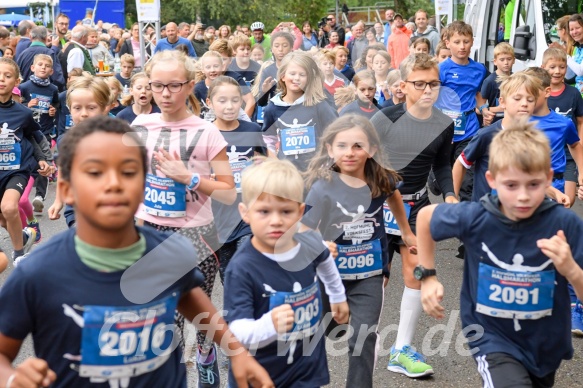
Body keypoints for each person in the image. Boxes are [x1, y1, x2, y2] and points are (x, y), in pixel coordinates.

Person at [0, 115, 274, 388]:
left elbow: (190, 295)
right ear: (67, 190)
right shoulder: (37, 273)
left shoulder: (169, 253)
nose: (114, 183)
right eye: (95, 172)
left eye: (128, 172)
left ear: (146, 184)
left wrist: (237, 352)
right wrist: (13, 378)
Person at [418, 123, 583, 388]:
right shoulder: (476, 218)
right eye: (511, 185)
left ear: (549, 178)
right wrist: (426, 276)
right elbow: (426, 218)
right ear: (492, 179)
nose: (522, 196)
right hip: (490, 338)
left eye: (533, 185)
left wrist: (571, 270)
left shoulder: (566, 225)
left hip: (545, 345)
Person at [131, 50, 235, 387]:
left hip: (196, 236)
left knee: (200, 321)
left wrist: (187, 177)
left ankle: (207, 370)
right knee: (162, 324)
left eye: (173, 85)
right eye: (157, 85)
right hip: (149, 233)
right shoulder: (139, 126)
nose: (164, 93)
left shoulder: (206, 132)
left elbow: (228, 192)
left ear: (189, 85)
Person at [301, 114, 407, 387]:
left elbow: (394, 193)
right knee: (328, 330)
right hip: (328, 275)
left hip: (369, 274)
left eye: (358, 146)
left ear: (371, 149)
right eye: (342, 146)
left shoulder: (380, 179)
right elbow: (304, 229)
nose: (350, 153)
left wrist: (406, 232)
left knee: (362, 336)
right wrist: (320, 246)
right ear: (329, 149)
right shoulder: (321, 187)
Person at [224, 157, 348, 386]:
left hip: (306, 368)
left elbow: (325, 260)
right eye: (264, 211)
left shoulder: (309, 243)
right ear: (245, 212)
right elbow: (237, 330)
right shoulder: (242, 268)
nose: (276, 221)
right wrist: (268, 325)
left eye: (286, 211)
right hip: (262, 374)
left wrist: (337, 296)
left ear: (300, 212)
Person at [371, 53, 458, 378]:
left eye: (433, 84)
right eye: (419, 84)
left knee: (417, 271)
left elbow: (441, 164)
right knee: (377, 277)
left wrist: (448, 193)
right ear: (404, 85)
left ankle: (401, 349)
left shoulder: (443, 123)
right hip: (379, 206)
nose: (427, 90)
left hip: (417, 207)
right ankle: (367, 340)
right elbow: (366, 160)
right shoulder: (386, 118)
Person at [206, 76, 268, 282]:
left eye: (235, 100)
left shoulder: (252, 130)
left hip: (248, 212)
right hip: (218, 216)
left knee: (248, 263)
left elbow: (266, 161)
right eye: (222, 101)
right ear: (209, 103)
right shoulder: (204, 134)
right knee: (228, 276)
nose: (229, 106)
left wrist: (263, 166)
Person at [452, 72, 540, 203]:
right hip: (485, 213)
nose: (524, 103)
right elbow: (461, 164)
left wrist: (554, 193)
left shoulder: (535, 137)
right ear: (502, 102)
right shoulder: (486, 135)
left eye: (530, 99)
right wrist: (452, 198)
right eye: (517, 98)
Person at [0, 58, 53, 264]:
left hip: (16, 170)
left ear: (16, 81)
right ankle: (22, 237)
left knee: (10, 208)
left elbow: (32, 136)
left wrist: (42, 160)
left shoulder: (23, 113)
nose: (2, 79)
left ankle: (19, 255)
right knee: (4, 219)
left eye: (7, 76)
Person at [434, 21, 488, 202]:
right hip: (444, 129)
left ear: (472, 41)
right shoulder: (441, 69)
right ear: (447, 42)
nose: (462, 46)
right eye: (457, 42)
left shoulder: (479, 69)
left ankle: (462, 216)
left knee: (466, 178)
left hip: (469, 129)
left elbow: (479, 96)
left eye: (466, 41)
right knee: (443, 177)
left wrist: (484, 109)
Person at [48, 75, 113, 227]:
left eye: (91, 108)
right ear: (69, 109)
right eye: (77, 108)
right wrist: (58, 200)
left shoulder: (115, 139)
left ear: (104, 108)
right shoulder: (65, 140)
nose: (84, 113)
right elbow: (64, 171)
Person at [262, 52, 338, 173]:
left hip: (316, 172)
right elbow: (268, 139)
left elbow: (335, 133)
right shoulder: (272, 107)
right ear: (282, 76)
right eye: (292, 73)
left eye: (302, 74)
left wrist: (328, 163)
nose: (296, 78)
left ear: (308, 78)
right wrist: (275, 163)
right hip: (288, 174)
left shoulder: (318, 104)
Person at [523, 66, 583, 196]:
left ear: (547, 92)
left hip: (556, 186)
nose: (526, 99)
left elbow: (575, 145)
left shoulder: (564, 123)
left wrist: (582, 173)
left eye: (532, 93)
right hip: (524, 187)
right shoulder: (518, 121)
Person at [19, 54, 60, 214]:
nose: (43, 67)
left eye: (47, 66)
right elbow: (17, 104)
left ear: (51, 71)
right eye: (40, 64)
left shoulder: (53, 89)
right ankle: (23, 191)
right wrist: (26, 104)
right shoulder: (25, 87)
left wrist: (53, 110)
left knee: (46, 163)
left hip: (45, 132)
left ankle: (40, 197)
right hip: (29, 132)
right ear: (32, 68)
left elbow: (56, 103)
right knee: (32, 162)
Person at [543, 47, 583, 206]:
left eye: (562, 67)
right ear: (543, 67)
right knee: (547, 199)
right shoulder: (539, 94)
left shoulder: (573, 93)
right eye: (552, 67)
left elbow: (580, 121)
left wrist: (580, 143)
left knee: (567, 200)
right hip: (546, 155)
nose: (557, 71)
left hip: (569, 154)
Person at [16, 26, 65, 91]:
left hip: (25, 95)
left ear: (30, 37)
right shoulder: (49, 53)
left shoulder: (23, 54)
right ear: (46, 38)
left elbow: (17, 75)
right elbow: (58, 79)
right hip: (46, 95)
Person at [256, 32, 294, 108]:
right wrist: (264, 91)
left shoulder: (299, 69)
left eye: (285, 46)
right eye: (276, 46)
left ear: (291, 48)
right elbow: (261, 103)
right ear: (272, 49)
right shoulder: (267, 71)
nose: (280, 49)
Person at [480, 42, 515, 126]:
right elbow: (479, 109)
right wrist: (498, 109)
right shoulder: (490, 81)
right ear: (495, 61)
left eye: (509, 59)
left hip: (513, 123)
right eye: (502, 59)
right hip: (495, 124)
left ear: (514, 60)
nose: (506, 63)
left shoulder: (516, 78)